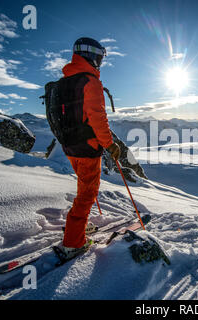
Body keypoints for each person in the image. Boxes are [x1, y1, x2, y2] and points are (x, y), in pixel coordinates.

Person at [59, 37, 121, 259]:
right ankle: (73, 243)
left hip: (70, 146)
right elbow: (98, 119)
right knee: (87, 194)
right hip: (86, 148)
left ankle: (77, 228)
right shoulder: (90, 82)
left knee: (83, 189)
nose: (100, 63)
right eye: (100, 58)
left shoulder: (64, 81)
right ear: (92, 56)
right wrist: (110, 145)